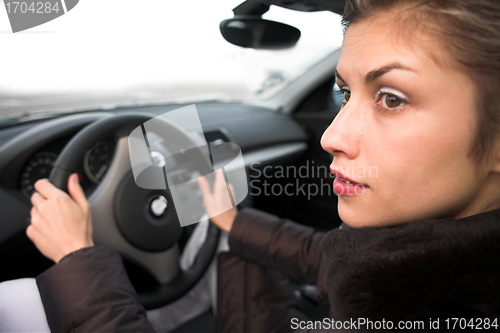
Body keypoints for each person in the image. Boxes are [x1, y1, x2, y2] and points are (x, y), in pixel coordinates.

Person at [22, 0, 500, 331]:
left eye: (391, 98)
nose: (332, 137)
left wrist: (76, 258)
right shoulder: (420, 263)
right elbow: (327, 257)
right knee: (232, 247)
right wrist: (235, 222)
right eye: (345, 93)